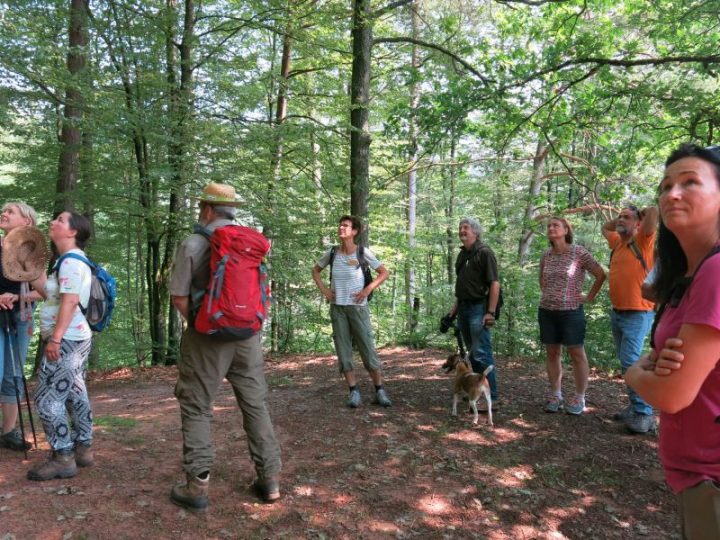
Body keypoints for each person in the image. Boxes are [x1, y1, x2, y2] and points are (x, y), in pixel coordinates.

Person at [625, 143, 720, 540]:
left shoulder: (716, 270)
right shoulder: (691, 273)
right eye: (664, 186)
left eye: (690, 182)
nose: (671, 194)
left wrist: (634, 372)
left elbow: (672, 394)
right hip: (698, 475)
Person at [169, 183, 282, 511]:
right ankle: (270, 478)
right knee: (255, 403)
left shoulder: (192, 243)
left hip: (207, 339)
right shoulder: (250, 244)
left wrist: (205, 324)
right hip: (247, 337)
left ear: (206, 209)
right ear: (231, 210)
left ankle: (197, 486)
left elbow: (179, 297)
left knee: (196, 405)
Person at [27, 211, 93, 481]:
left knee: (47, 399)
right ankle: (83, 448)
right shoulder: (65, 261)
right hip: (74, 338)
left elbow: (70, 301)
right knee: (75, 392)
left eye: (60, 221)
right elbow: (51, 294)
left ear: (73, 232)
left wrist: (55, 339)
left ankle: (63, 456)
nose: (53, 222)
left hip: (67, 340)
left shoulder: (71, 263)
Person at [312, 215, 391, 408]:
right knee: (343, 350)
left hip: (358, 308)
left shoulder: (362, 252)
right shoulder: (332, 253)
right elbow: (315, 271)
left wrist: (367, 289)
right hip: (337, 308)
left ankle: (379, 390)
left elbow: (384, 272)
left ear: (354, 231)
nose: (341, 228)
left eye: (346, 226)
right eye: (340, 225)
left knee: (367, 348)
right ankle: (353, 391)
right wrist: (325, 290)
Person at [539, 217, 606, 415]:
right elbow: (541, 279)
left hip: (571, 312)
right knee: (552, 353)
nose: (551, 228)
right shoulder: (546, 255)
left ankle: (579, 396)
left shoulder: (579, 253)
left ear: (566, 230)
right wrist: (550, 295)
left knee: (576, 353)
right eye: (549, 226)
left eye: (555, 225)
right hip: (547, 311)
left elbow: (600, 274)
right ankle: (556, 394)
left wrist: (589, 296)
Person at [602, 203, 658, 433]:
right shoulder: (617, 242)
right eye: (619, 217)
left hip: (639, 312)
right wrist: (623, 219)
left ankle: (644, 414)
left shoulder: (643, 240)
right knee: (626, 362)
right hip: (618, 312)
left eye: (626, 218)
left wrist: (641, 215)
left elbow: (654, 213)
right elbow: (605, 227)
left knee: (630, 362)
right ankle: (635, 407)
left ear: (638, 223)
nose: (620, 220)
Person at [0, 202, 46, 452]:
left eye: (11, 211)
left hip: (20, 318)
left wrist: (19, 297)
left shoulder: (31, 251)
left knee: (13, 374)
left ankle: (8, 433)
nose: (4, 213)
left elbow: (44, 291)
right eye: (3, 210)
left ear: (26, 222)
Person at [447, 218, 500, 405]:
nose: (462, 231)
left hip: (479, 308)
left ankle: (489, 396)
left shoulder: (484, 253)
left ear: (475, 232)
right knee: (472, 353)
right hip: (464, 308)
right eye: (460, 228)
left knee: (481, 353)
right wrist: (452, 313)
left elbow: (494, 283)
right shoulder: (462, 255)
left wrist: (490, 312)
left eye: (466, 228)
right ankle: (476, 393)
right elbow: (462, 289)